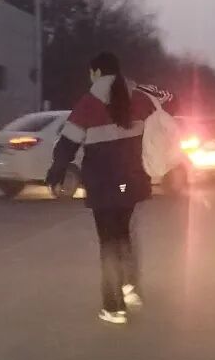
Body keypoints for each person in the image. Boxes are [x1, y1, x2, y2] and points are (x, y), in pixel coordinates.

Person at [45, 50, 165, 326]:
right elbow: (164, 109)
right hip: (129, 182)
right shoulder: (138, 98)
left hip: (104, 183)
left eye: (91, 72)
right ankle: (129, 287)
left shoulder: (90, 103)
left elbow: (67, 143)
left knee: (109, 242)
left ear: (98, 72)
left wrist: (56, 172)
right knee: (123, 234)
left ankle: (113, 307)